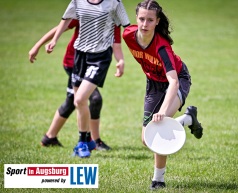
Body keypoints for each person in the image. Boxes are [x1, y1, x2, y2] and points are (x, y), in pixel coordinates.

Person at [122, 0, 204, 190]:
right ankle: (188, 119)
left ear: (157, 21)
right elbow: (112, 34)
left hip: (177, 80)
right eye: (141, 19)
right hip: (154, 84)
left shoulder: (161, 47)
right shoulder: (128, 35)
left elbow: (174, 81)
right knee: (146, 139)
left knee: (159, 128)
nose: (145, 24)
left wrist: (163, 111)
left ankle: (158, 180)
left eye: (150, 20)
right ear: (136, 18)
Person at [45, 0, 130, 158]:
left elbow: (127, 28)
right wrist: (54, 40)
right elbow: (66, 21)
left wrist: (121, 60)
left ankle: (82, 142)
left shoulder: (114, 3)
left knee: (79, 99)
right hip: (79, 56)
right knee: (79, 102)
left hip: (100, 57)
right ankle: (86, 141)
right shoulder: (77, 1)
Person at [29, 19, 125, 151]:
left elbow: (116, 45)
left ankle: (49, 137)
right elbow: (60, 27)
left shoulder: (113, 18)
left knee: (71, 100)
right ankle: (95, 141)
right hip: (73, 62)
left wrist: (120, 60)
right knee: (94, 99)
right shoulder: (85, 10)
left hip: (92, 63)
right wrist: (37, 46)